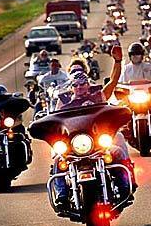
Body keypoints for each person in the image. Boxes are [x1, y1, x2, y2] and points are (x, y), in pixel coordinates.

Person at [53, 46, 136, 208]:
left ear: (88, 84)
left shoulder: (98, 95)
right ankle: (62, 195)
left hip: (98, 142)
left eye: (83, 84)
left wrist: (118, 61)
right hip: (74, 145)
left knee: (117, 152)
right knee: (58, 160)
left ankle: (125, 185)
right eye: (76, 86)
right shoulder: (63, 101)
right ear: (71, 87)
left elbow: (113, 81)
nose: (79, 88)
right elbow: (56, 121)